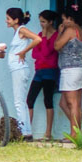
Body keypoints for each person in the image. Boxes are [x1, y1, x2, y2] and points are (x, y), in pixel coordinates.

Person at [21, 11, 62, 140]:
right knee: (30, 100)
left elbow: (46, 51)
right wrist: (42, 39)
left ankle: (48, 133)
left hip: (50, 71)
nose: (41, 24)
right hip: (39, 71)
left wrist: (44, 38)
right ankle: (27, 131)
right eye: (40, 21)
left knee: (48, 101)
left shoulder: (56, 36)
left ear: (50, 22)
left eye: (43, 22)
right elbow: (35, 54)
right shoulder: (39, 35)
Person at [6, 7, 40, 140]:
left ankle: (24, 133)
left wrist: (24, 51)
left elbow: (37, 39)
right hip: (17, 69)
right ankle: (26, 131)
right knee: (21, 102)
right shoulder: (17, 31)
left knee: (18, 102)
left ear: (16, 20)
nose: (7, 21)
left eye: (8, 19)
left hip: (19, 69)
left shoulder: (22, 30)